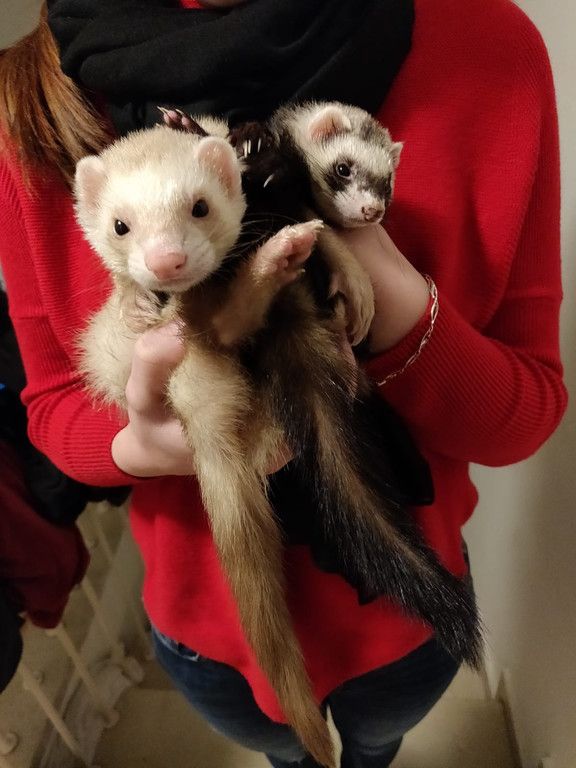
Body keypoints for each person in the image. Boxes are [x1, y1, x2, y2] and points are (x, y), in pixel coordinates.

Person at [0, 0, 567, 766]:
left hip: (407, 613)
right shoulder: (32, 106)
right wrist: (142, 443)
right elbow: (52, 409)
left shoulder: (490, 51)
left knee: (373, 747)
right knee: (292, 752)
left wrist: (385, 285)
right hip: (209, 636)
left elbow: (527, 409)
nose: (163, 256)